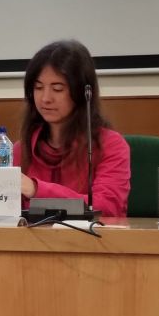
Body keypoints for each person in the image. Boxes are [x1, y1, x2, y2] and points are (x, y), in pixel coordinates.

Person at [12, 40, 130, 217]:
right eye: (38, 87)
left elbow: (107, 207)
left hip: (92, 242)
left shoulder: (110, 145)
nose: (45, 98)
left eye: (57, 89)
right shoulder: (20, 149)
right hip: (31, 243)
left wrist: (37, 189)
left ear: (82, 92)